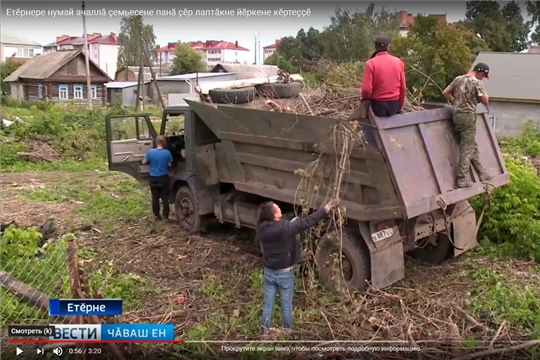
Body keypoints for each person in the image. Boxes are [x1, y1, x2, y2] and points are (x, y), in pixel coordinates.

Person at [256, 198, 341, 332]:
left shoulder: (261, 228)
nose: (279, 208)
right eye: (277, 208)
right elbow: (309, 221)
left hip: (269, 273)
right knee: (286, 306)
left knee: (268, 305)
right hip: (285, 273)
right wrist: (328, 207)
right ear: (275, 215)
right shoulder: (287, 228)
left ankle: (264, 331)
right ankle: (287, 332)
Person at [442, 62, 492, 188]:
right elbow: (485, 100)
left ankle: (481, 172)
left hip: (456, 115)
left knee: (470, 144)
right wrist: (484, 94)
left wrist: (455, 103)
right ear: (481, 72)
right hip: (468, 116)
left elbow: (445, 92)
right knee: (467, 147)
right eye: (483, 76)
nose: (483, 78)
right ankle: (461, 178)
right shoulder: (476, 82)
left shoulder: (458, 79)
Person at [361, 36, 407, 117]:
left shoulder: (370, 63)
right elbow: (403, 88)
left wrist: (365, 101)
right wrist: (399, 106)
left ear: (375, 47)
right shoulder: (399, 62)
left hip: (377, 106)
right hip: (394, 104)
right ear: (388, 46)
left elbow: (366, 90)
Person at [142, 135, 173, 220]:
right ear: (164, 143)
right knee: (165, 197)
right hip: (164, 178)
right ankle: (166, 215)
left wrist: (149, 161)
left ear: (156, 142)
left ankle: (156, 215)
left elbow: (144, 162)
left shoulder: (151, 152)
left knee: (155, 197)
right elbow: (169, 165)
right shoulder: (167, 153)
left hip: (153, 178)